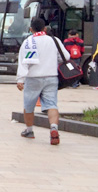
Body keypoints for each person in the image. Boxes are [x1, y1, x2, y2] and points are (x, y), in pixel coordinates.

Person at [16, 17, 70, 145]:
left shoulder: (28, 42)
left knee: (29, 105)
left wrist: (20, 79)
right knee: (51, 105)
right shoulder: (54, 40)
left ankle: (29, 131)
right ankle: (53, 129)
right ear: (45, 28)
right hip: (51, 77)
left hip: (33, 78)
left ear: (31, 29)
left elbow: (24, 62)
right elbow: (66, 57)